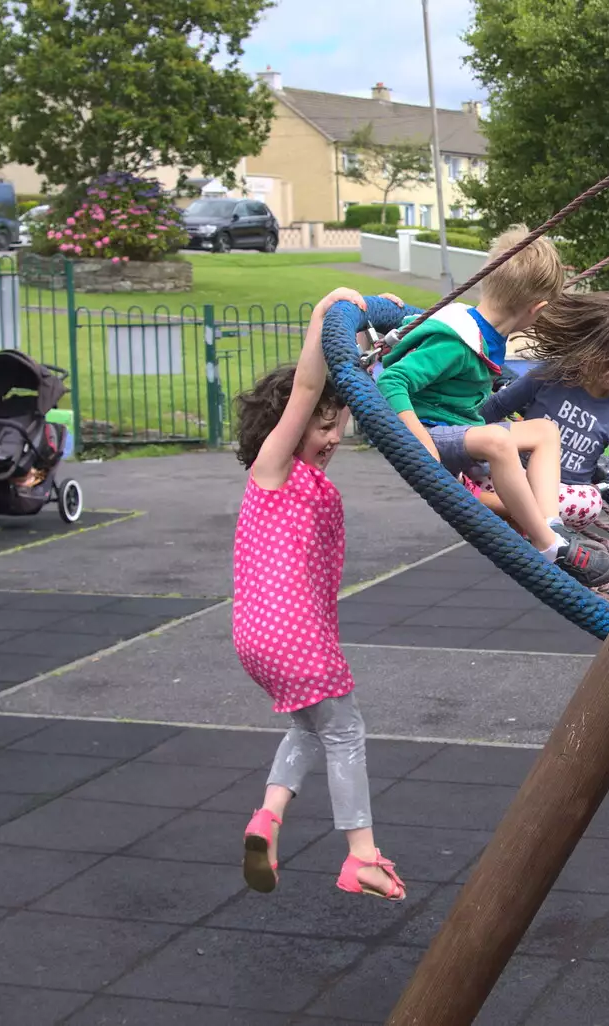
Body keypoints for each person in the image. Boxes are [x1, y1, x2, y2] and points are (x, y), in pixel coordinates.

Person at [232, 286, 405, 902]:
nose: (332, 437)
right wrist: (323, 318)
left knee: (311, 727)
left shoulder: (289, 482)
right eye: (321, 429)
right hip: (292, 635)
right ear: (285, 429)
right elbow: (308, 387)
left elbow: (338, 385)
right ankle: (361, 855)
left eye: (338, 426)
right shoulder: (272, 470)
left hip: (257, 637)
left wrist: (363, 335)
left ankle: (268, 818)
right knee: (345, 731)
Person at [376, 225, 609, 586]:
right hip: (433, 432)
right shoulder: (459, 342)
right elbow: (391, 380)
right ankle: (548, 546)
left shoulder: (486, 334)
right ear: (537, 309)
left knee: (545, 431)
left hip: (461, 429)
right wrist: (420, 441)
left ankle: (551, 524)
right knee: (499, 441)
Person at [477, 291, 609, 582]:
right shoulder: (552, 376)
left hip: (562, 498)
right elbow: (497, 407)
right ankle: (514, 511)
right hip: (513, 476)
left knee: (590, 503)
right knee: (484, 450)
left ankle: (499, 506)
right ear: (599, 355)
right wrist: (457, 434)